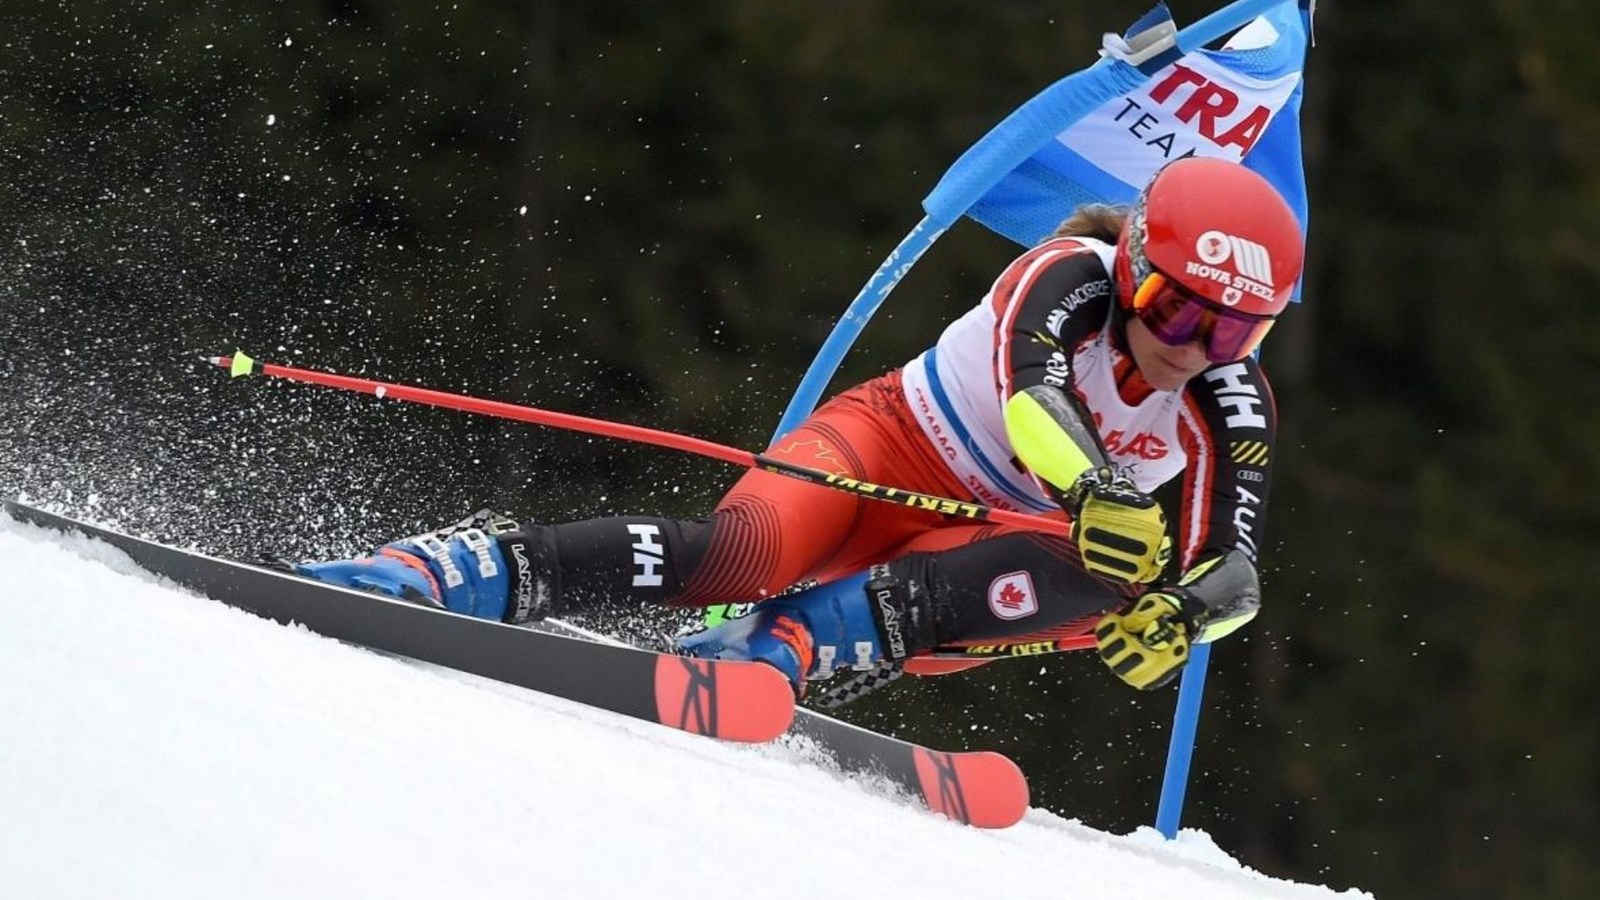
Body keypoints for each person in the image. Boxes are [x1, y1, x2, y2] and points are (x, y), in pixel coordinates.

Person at [299, 157, 1305, 696]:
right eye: (1176, 310)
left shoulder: (1230, 396)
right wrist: (1093, 486)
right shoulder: (1065, 276)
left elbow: (1235, 570)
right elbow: (1028, 400)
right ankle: (457, 571)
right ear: (1134, 266)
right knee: (737, 554)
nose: (1193, 347)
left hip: (976, 549)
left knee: (1121, 572)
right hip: (890, 447)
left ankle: (782, 644)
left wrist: (1184, 618)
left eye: (1234, 330)